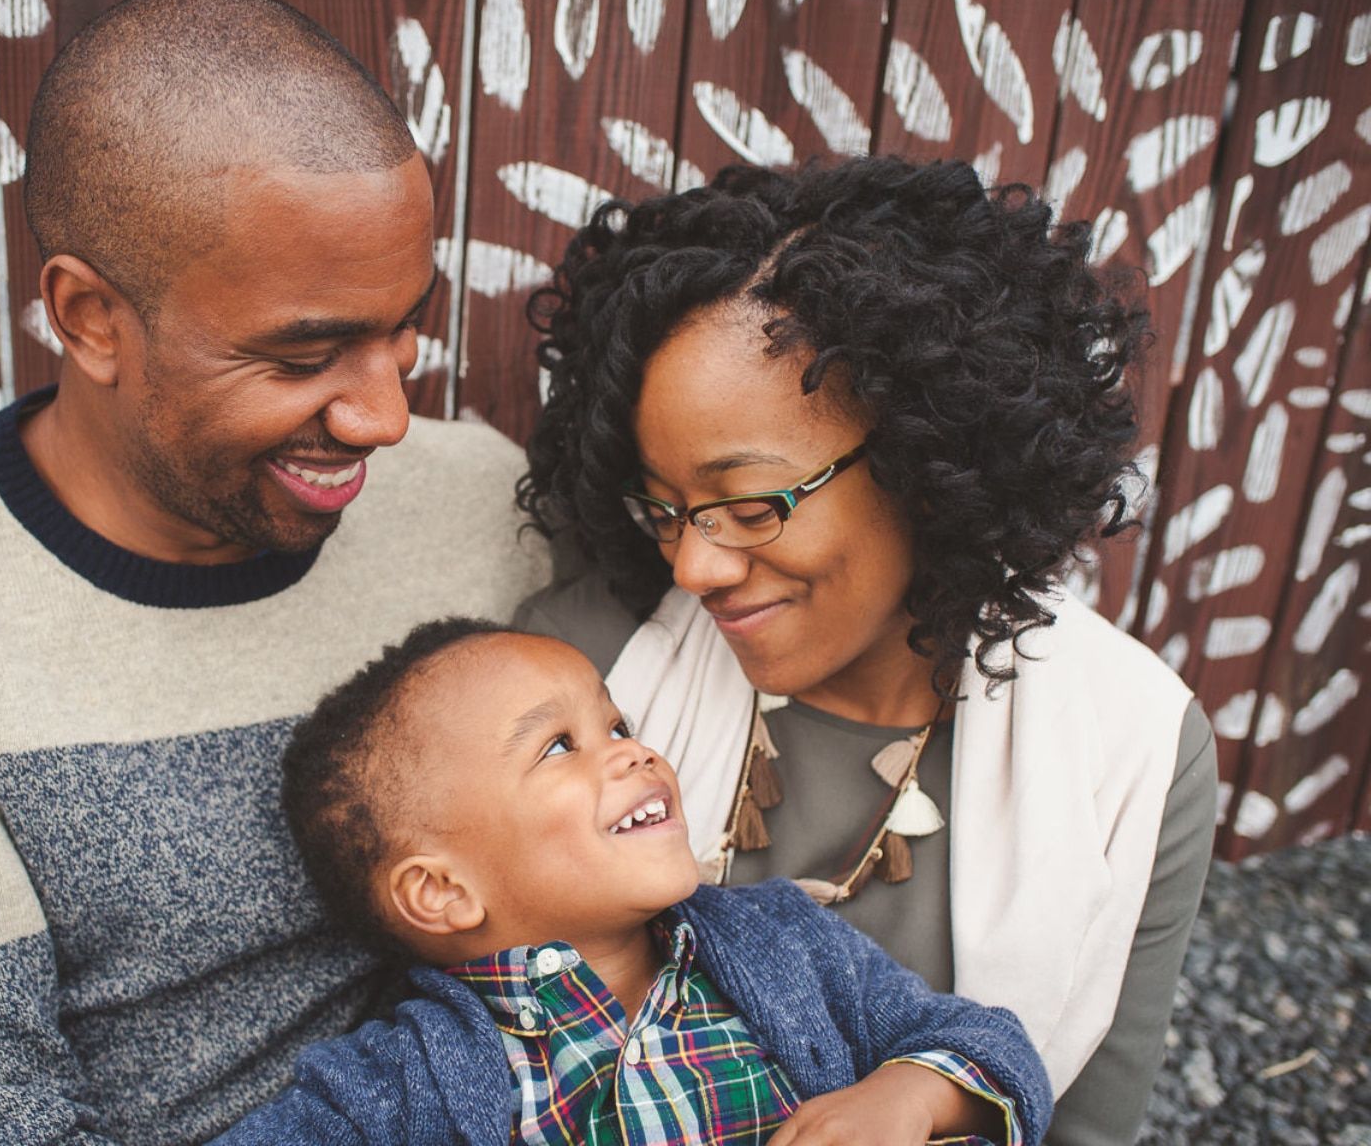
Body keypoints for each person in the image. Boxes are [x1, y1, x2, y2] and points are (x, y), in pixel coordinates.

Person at [0, 0, 547, 1145]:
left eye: (402, 329)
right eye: (305, 352)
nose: (382, 419)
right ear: (89, 318)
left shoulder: (477, 501)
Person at [515, 157, 1217, 1146]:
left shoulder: (1132, 750)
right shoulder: (581, 676)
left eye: (750, 505)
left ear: (923, 462)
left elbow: (1086, 1128)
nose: (695, 565)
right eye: (664, 508)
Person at [220, 619, 1053, 1145]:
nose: (634, 751)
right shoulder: (393, 1086)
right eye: (558, 747)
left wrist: (907, 1097)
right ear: (443, 892)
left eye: (616, 723)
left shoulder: (785, 941)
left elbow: (995, 1049)